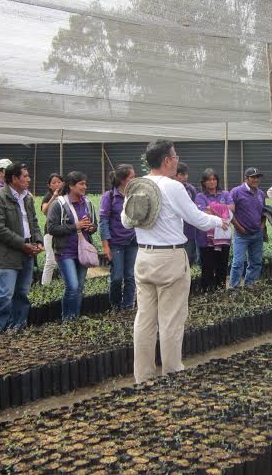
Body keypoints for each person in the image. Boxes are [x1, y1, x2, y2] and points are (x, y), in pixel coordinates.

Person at [122, 140, 227, 383]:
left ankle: (143, 377)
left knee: (144, 319)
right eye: (175, 156)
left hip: (144, 257)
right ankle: (172, 373)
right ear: (167, 161)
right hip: (169, 258)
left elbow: (127, 222)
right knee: (171, 319)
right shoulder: (173, 187)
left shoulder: (137, 186)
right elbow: (196, 219)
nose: (177, 160)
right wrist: (217, 222)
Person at [0, 162, 44, 336]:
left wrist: (37, 241)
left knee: (22, 293)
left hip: (27, 251)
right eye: (25, 176)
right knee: (4, 295)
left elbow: (33, 222)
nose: (28, 179)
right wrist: (22, 244)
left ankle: (17, 327)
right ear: (14, 178)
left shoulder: (27, 198)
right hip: (7, 254)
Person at [46, 171, 98, 320]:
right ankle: (67, 318)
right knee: (73, 286)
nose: (85, 187)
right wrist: (75, 226)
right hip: (65, 252)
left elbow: (95, 226)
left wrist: (90, 227)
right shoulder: (59, 204)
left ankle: (75, 316)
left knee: (80, 286)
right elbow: (51, 228)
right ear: (71, 186)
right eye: (81, 184)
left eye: (85, 184)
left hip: (82, 251)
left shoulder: (87, 203)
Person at [100, 164, 138, 309]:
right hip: (115, 243)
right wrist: (105, 245)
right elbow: (103, 222)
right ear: (123, 180)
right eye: (132, 177)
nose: (135, 180)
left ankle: (128, 306)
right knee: (116, 278)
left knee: (130, 276)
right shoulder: (109, 197)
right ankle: (115, 305)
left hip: (132, 241)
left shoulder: (134, 196)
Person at [195, 168, 233, 291]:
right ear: (204, 182)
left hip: (223, 237)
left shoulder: (225, 194)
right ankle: (207, 294)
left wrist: (212, 208)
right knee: (208, 268)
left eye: (214, 179)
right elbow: (203, 213)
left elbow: (232, 208)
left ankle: (221, 292)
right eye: (208, 180)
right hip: (206, 239)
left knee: (222, 267)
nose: (212, 182)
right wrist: (222, 209)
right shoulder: (200, 196)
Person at [228, 168, 266, 288]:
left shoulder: (260, 194)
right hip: (241, 235)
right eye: (253, 177)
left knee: (256, 262)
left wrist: (262, 225)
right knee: (238, 263)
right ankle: (234, 289)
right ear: (246, 178)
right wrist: (238, 227)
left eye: (257, 177)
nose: (256, 180)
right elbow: (229, 212)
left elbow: (265, 212)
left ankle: (250, 285)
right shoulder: (236, 192)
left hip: (257, 234)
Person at [40, 173, 64, 284]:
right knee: (50, 260)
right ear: (49, 186)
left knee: (66, 259)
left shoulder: (68, 195)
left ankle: (66, 284)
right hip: (50, 232)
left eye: (59, 182)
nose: (57, 184)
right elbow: (44, 211)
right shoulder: (48, 196)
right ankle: (45, 285)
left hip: (65, 231)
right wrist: (54, 197)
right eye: (54, 183)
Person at [175, 162, 199, 267]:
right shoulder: (169, 189)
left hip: (190, 231)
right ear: (175, 175)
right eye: (182, 174)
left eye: (186, 174)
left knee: (189, 259)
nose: (185, 177)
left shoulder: (191, 189)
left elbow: (195, 208)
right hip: (175, 232)